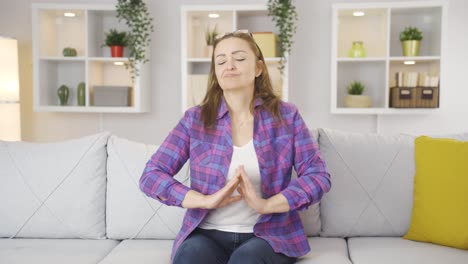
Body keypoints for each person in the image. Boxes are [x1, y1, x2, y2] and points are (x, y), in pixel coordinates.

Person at [140, 30, 331, 264]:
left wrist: (266, 204)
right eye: (220, 61)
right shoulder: (195, 120)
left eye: (239, 58)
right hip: (206, 233)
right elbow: (151, 175)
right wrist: (203, 200)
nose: (229, 65)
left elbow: (318, 175)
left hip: (269, 235)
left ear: (258, 68)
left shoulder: (286, 116)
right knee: (190, 257)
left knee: (245, 260)